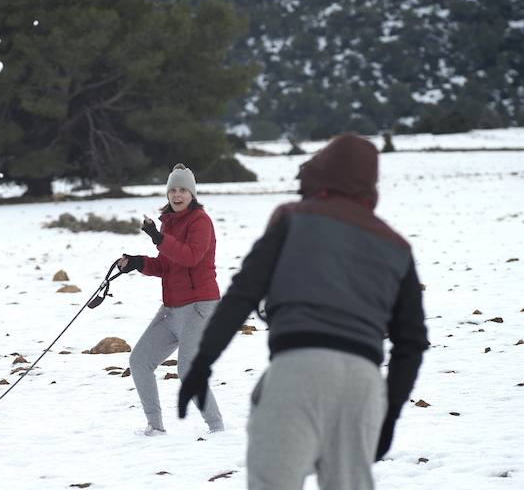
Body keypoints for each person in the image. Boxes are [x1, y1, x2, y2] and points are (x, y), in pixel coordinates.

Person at [178, 134, 429, 490]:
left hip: (299, 368)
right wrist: (387, 419)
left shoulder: (292, 219)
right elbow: (412, 342)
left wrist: (203, 362)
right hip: (363, 382)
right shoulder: (397, 246)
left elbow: (243, 293)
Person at [118, 163, 225, 436]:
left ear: (192, 194)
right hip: (171, 309)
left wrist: (157, 237)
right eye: (173, 190)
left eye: (183, 190)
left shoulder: (200, 221)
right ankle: (155, 426)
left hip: (200, 306)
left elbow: (190, 257)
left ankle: (217, 429)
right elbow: (167, 266)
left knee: (187, 368)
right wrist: (137, 263)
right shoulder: (169, 223)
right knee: (139, 361)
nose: (177, 195)